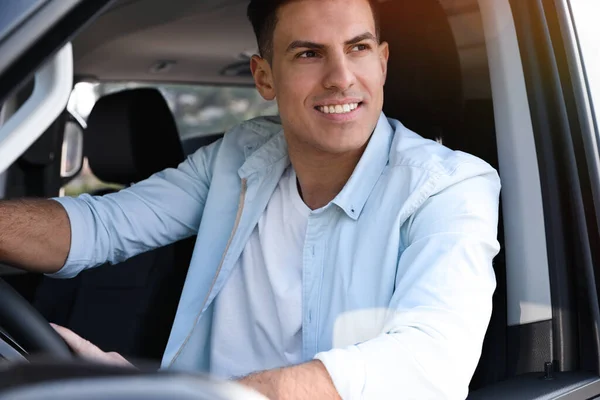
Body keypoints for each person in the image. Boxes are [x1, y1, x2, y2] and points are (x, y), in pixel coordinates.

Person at [0, 0, 501, 398]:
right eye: (309, 53)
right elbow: (101, 227)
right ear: (264, 77)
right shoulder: (236, 157)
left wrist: (211, 397)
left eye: (358, 48)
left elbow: (430, 362)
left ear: (383, 61)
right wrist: (144, 384)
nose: (342, 77)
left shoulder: (450, 186)